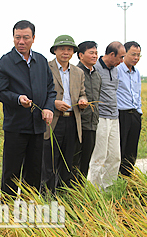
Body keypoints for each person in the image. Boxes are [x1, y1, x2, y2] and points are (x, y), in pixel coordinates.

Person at [0, 20, 56, 197]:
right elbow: (0, 92)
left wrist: (48, 107)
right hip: (16, 128)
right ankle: (8, 212)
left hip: (37, 127)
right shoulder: (5, 62)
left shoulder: (41, 61)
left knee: (35, 172)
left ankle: (31, 210)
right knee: (11, 173)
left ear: (33, 38)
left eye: (26, 38)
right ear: (13, 38)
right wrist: (18, 99)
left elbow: (51, 89)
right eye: (17, 37)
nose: (21, 41)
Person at [41, 35, 88, 194]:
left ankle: (64, 196)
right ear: (55, 50)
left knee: (68, 162)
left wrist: (82, 101)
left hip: (72, 121)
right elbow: (39, 94)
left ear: (74, 52)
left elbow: (83, 93)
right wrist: (54, 104)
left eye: (69, 49)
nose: (65, 52)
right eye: (62, 49)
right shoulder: (45, 68)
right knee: (49, 161)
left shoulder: (78, 72)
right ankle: (47, 195)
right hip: (53, 121)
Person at [87, 41, 126, 190]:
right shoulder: (95, 68)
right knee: (99, 156)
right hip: (101, 117)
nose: (122, 61)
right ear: (111, 55)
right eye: (120, 57)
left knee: (115, 156)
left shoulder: (115, 69)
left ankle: (108, 188)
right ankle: (94, 190)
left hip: (114, 117)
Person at [74, 41, 102, 182]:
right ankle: (71, 193)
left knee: (85, 162)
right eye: (91, 52)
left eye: (96, 53)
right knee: (75, 163)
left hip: (92, 124)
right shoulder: (75, 73)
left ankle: (80, 191)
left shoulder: (97, 75)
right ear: (80, 55)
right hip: (78, 125)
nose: (95, 56)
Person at [117, 41, 142, 176]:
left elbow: (137, 94)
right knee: (120, 149)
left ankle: (127, 177)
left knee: (132, 150)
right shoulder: (117, 70)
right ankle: (116, 178)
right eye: (133, 54)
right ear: (124, 53)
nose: (136, 58)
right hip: (121, 115)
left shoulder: (136, 72)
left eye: (138, 55)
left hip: (135, 115)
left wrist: (139, 112)